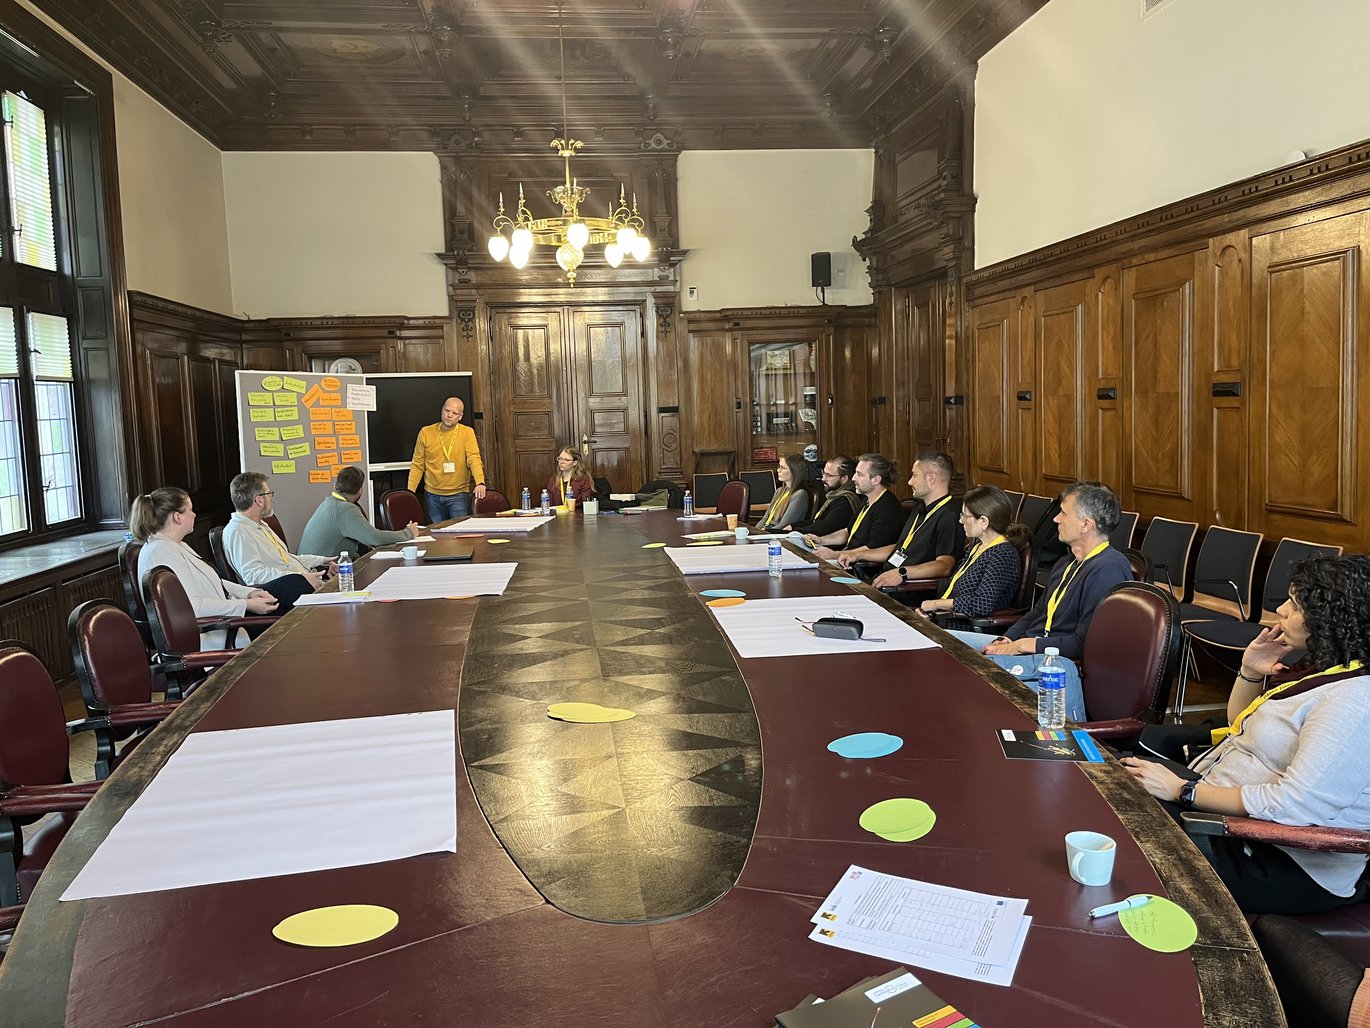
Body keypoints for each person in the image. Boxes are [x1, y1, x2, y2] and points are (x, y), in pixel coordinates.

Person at [1121, 555, 1370, 915]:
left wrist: (1183, 791)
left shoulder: (1354, 702)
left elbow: (1297, 805)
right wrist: (1250, 670)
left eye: (1295, 604)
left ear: (1331, 617)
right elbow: (1245, 729)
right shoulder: (1330, 669)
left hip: (1275, 860)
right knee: (1112, 782)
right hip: (1225, 821)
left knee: (1120, 823)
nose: (1281, 610)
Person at [947, 481, 1132, 723]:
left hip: (1055, 664)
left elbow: (1084, 645)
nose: (1056, 519)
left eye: (1064, 513)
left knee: (966, 676)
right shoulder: (1067, 563)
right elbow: (1036, 614)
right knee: (942, 643)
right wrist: (1008, 638)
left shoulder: (1107, 569)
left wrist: (1021, 646)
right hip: (1032, 648)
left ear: (1086, 524)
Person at [131, 487, 279, 649]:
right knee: (282, 627)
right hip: (210, 635)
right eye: (190, 510)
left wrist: (249, 592)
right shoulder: (161, 551)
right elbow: (192, 607)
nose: (194, 515)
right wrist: (246, 604)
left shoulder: (176, 545)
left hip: (224, 623)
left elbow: (212, 579)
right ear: (177, 517)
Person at [222, 472, 335, 612]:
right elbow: (253, 575)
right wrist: (300, 578)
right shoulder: (238, 531)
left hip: (296, 583)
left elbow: (287, 559)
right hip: (277, 594)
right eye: (269, 494)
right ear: (259, 500)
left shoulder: (261, 525)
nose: (271, 498)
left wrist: (321, 560)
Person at [911, 485, 1030, 620]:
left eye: (965, 516)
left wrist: (937, 604)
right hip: (946, 618)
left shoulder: (1002, 555)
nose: (960, 520)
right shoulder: (978, 547)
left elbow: (982, 604)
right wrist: (932, 611)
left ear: (983, 521)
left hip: (966, 626)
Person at [852, 450, 963, 584]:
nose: (910, 482)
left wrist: (902, 573)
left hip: (905, 590)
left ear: (931, 478)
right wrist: (857, 554)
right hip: (884, 579)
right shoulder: (920, 508)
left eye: (915, 475)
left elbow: (944, 565)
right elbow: (900, 548)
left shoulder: (950, 515)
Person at [299, 466, 419, 558]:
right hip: (322, 574)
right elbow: (374, 538)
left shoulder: (329, 503)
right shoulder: (344, 509)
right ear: (360, 490)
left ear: (335, 485)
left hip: (310, 569)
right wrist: (408, 533)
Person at [805, 454, 903, 561]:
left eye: (859, 474)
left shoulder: (888, 508)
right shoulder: (867, 499)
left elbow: (872, 549)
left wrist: (834, 554)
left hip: (860, 567)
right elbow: (848, 531)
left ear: (875, 480)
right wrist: (821, 540)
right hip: (846, 559)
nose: (853, 478)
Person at [407, 396, 487, 522]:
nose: (449, 415)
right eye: (447, 410)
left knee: (459, 534)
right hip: (432, 494)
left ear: (460, 416)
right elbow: (417, 464)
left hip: (458, 495)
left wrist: (480, 482)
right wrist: (410, 492)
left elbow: (474, 458)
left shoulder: (467, 433)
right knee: (439, 535)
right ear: (441, 411)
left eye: (454, 413)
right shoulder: (426, 432)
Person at [787, 455, 859, 535]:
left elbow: (824, 527)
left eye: (829, 476)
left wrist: (795, 532)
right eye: (824, 473)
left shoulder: (845, 500)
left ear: (844, 478)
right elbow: (817, 521)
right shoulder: (833, 494)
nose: (823, 479)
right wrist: (793, 526)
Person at [756, 453, 810, 532]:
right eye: (779, 467)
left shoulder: (800, 495)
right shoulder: (779, 491)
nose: (778, 470)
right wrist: (754, 532)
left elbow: (783, 525)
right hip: (767, 531)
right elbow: (764, 518)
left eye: (783, 468)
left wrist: (763, 534)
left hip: (777, 535)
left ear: (794, 471)